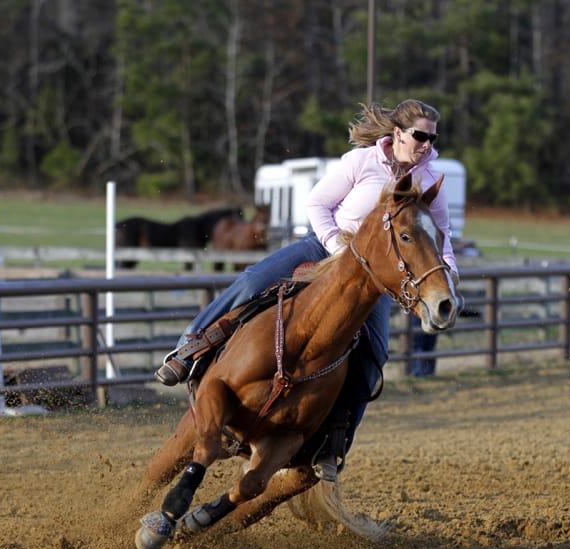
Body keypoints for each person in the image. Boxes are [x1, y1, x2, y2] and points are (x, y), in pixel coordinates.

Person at [155, 99, 459, 480]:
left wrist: (448, 275)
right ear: (398, 134)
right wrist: (337, 250)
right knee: (252, 282)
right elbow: (318, 203)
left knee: (373, 355)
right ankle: (190, 347)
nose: (427, 145)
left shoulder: (430, 181)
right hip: (322, 246)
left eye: (432, 138)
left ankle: (333, 446)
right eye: (420, 136)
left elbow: (440, 239)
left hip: (372, 276)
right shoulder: (362, 162)